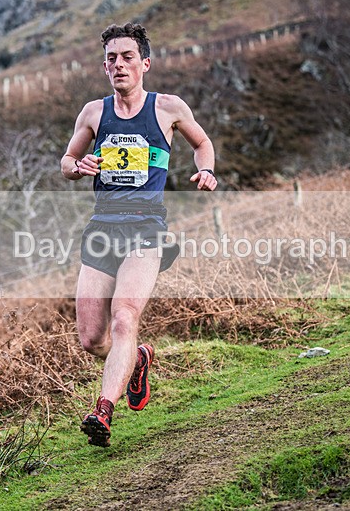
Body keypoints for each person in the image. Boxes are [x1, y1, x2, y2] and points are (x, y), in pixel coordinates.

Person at [60, 22, 217, 447]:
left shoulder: (168, 108)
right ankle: (140, 357)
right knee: (93, 338)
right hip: (102, 228)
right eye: (111, 58)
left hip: (147, 229)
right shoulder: (93, 113)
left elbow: (202, 143)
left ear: (145, 63)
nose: (119, 64)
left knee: (125, 316)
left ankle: (103, 410)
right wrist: (78, 167)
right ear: (104, 66)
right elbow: (68, 160)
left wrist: (205, 169)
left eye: (127, 56)